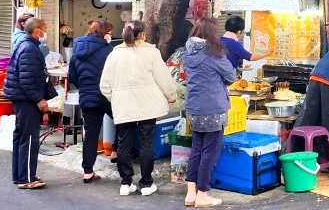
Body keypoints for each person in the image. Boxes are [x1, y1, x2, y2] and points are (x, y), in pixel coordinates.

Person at [99, 20, 179, 196]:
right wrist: (172, 96)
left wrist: (118, 98)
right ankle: (146, 184)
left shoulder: (114, 54)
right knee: (146, 144)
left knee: (123, 144)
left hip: (123, 106)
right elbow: (164, 79)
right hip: (147, 105)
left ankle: (125, 184)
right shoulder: (151, 53)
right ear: (143, 34)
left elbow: (104, 85)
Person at [182, 17, 236, 208]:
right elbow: (231, 76)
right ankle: (203, 195)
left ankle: (191, 193)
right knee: (209, 154)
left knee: (197, 150)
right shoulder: (215, 54)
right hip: (213, 108)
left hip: (194, 108)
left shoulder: (187, 52)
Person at [4, 17, 53, 190]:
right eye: (45, 28)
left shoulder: (23, 45)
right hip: (26, 100)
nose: (46, 32)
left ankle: (20, 175)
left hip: (20, 98)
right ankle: (26, 179)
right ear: (37, 31)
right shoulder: (30, 49)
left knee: (20, 136)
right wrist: (39, 99)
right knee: (30, 138)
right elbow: (27, 80)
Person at [68, 19, 114, 184]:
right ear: (104, 34)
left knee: (91, 134)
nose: (110, 36)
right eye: (109, 33)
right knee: (123, 124)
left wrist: (85, 87)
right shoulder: (108, 51)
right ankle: (116, 154)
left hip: (87, 96)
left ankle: (88, 171)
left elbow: (72, 76)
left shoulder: (77, 49)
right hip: (107, 97)